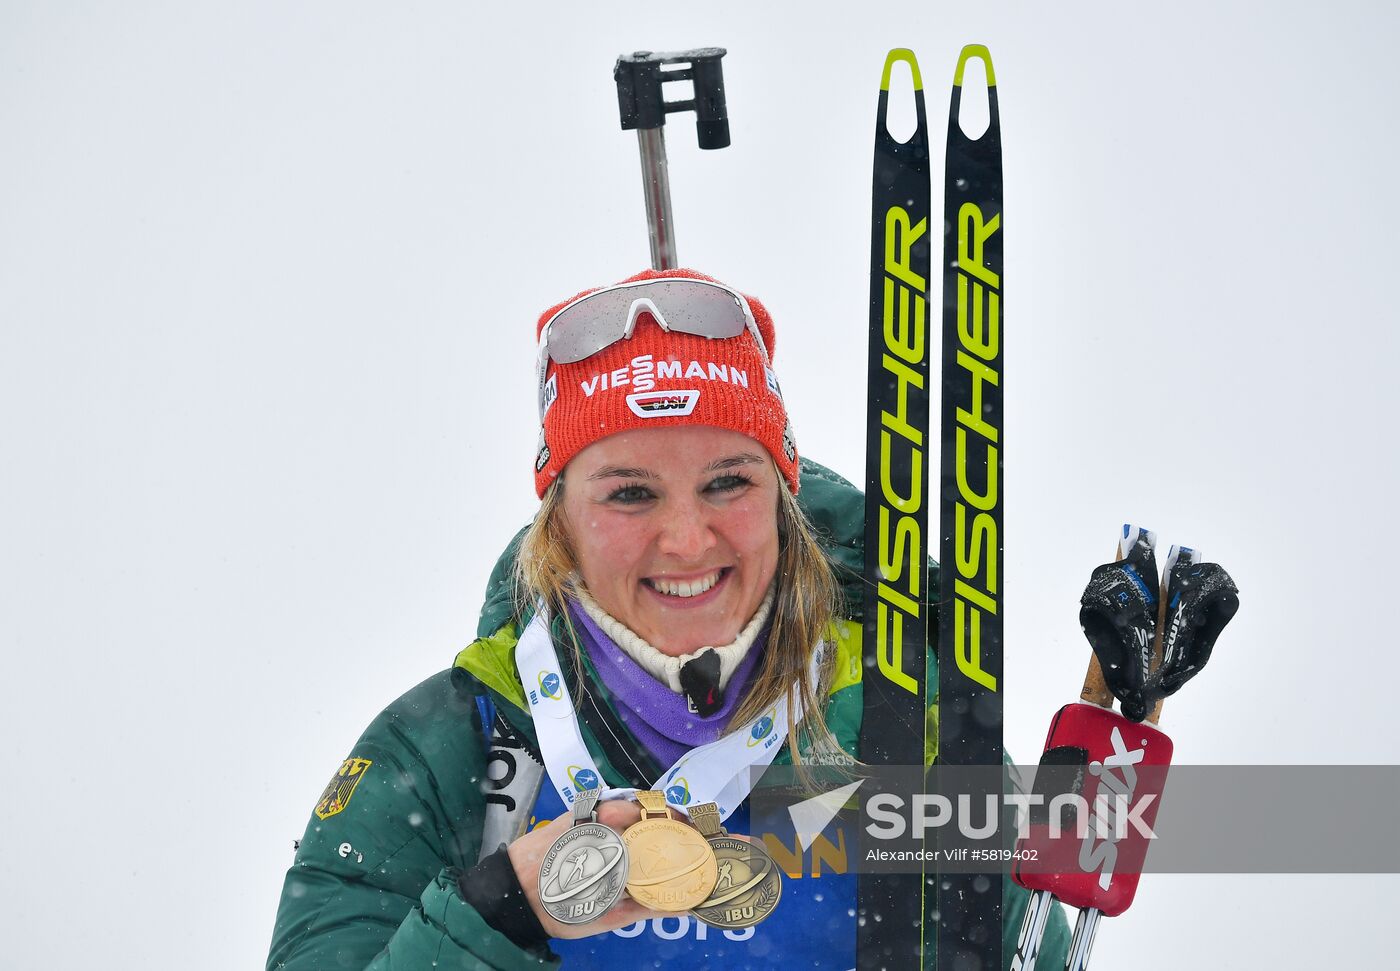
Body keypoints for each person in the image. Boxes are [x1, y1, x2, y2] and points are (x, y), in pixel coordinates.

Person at [265, 268, 1069, 969]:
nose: (687, 540)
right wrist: (498, 909)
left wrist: (1102, 758)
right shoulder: (452, 747)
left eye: (729, 482)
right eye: (628, 492)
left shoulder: (906, 721)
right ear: (559, 524)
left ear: (784, 503)